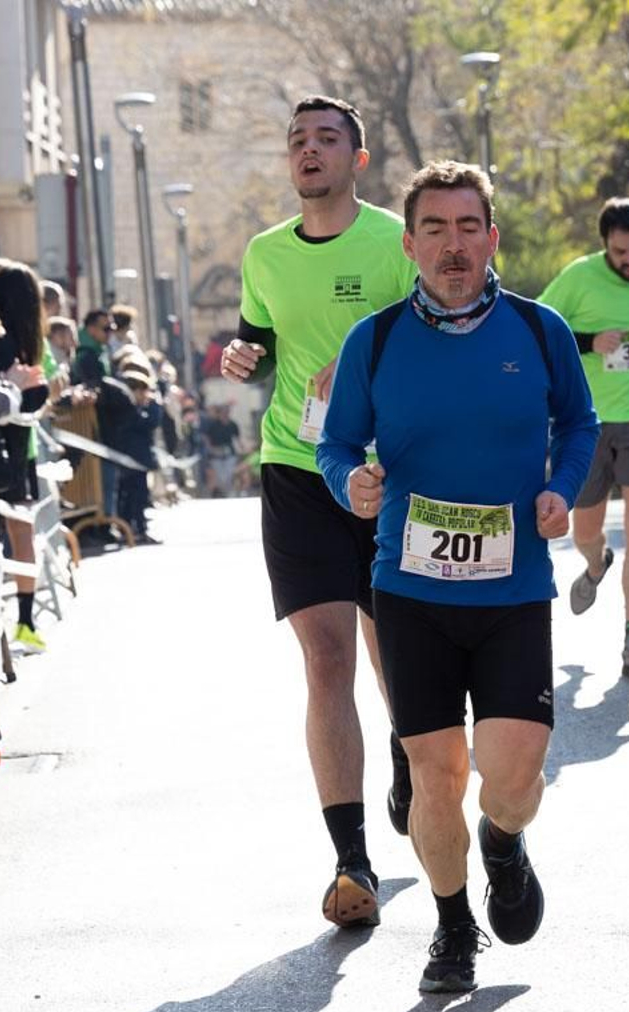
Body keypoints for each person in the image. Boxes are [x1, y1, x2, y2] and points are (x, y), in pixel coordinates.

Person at [317, 160, 598, 993]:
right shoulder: (374, 342)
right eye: (434, 229)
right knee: (436, 771)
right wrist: (349, 483)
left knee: (512, 774)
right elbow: (335, 446)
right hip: (410, 591)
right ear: (408, 244)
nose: (452, 245)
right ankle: (451, 926)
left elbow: (579, 422)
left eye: (467, 227)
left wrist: (561, 488)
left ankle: (504, 843)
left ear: (492, 238)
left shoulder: (539, 329)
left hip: (513, 591)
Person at [219, 95, 421, 927]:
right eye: (298, 139)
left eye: (327, 139)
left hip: (392, 473)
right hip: (298, 469)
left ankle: (412, 754)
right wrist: (243, 355)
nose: (309, 150)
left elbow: (438, 327)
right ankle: (352, 863)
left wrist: (365, 368)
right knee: (327, 659)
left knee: (395, 657)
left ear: (357, 159)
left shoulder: (392, 241)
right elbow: (260, 338)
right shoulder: (265, 254)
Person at [539, 197, 629, 680]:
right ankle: (596, 563)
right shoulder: (579, 277)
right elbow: (540, 326)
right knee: (586, 531)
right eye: (621, 252)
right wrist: (589, 342)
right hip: (588, 422)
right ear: (605, 245)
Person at [0, 258, 52, 652]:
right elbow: (34, 398)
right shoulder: (25, 344)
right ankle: (24, 620)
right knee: (23, 535)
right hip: (19, 450)